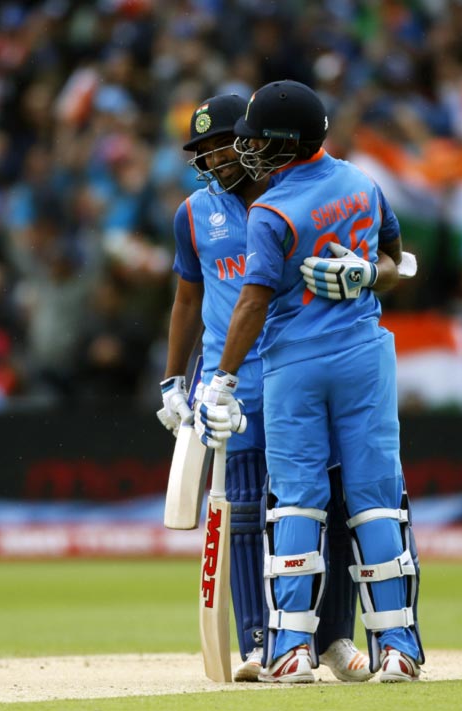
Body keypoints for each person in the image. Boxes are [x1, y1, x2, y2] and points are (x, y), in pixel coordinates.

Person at [194, 80, 425, 683]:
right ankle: (397, 648)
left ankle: (291, 650)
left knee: (297, 501)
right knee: (376, 501)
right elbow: (404, 263)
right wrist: (369, 274)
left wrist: (219, 381)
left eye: (254, 139)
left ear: (285, 143)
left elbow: (250, 302)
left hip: (293, 365)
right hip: (366, 357)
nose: (245, 150)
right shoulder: (363, 183)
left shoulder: (270, 211)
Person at [157, 94, 372, 683]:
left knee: (323, 504)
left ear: (253, 142)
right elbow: (186, 297)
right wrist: (176, 379)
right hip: (235, 387)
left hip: (302, 368)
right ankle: (259, 641)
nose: (210, 159)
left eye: (218, 144)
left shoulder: (298, 200)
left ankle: (331, 640)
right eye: (199, 150)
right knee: (246, 510)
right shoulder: (194, 214)